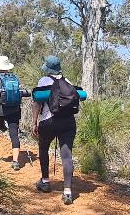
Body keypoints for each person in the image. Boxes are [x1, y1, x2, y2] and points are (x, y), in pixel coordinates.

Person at [30, 55, 87, 205]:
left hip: (49, 121)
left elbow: (37, 103)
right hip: (68, 122)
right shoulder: (67, 82)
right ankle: (67, 192)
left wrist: (34, 122)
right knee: (67, 156)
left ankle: (45, 181)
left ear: (47, 69)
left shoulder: (43, 81)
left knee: (43, 148)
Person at [0, 55, 27, 169]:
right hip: (14, 109)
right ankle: (15, 161)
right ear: (8, 67)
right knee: (14, 133)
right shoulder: (16, 78)